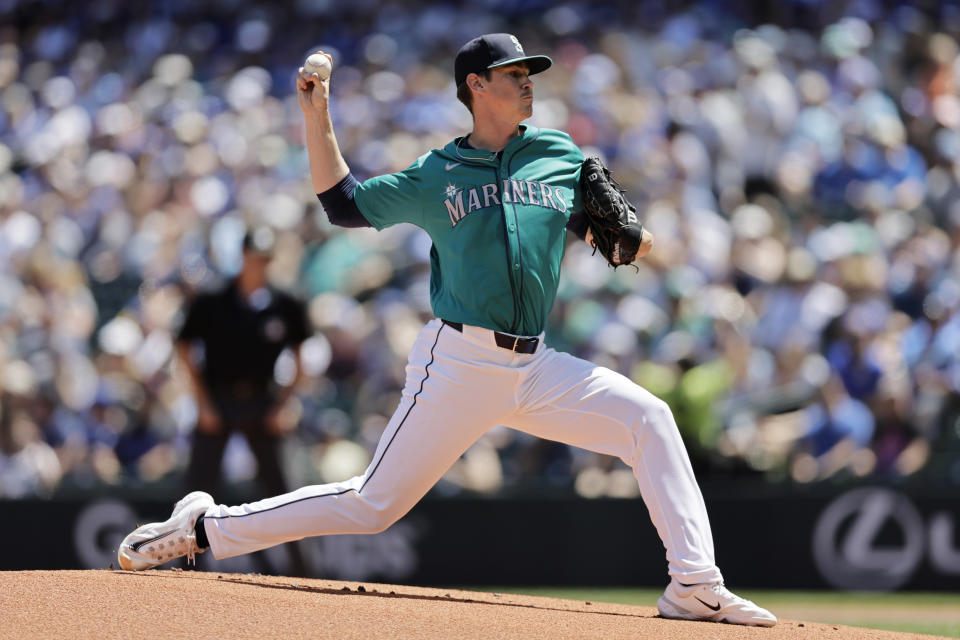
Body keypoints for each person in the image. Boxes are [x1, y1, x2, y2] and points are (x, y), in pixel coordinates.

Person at [119, 33, 776, 627]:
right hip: (459, 362)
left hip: (536, 365)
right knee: (372, 506)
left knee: (650, 420)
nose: (528, 82)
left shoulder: (556, 154)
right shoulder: (438, 173)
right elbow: (343, 204)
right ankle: (205, 529)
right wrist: (317, 116)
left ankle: (693, 584)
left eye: (529, 73)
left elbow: (626, 245)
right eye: (512, 73)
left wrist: (633, 237)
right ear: (475, 86)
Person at [174, 227, 310, 575]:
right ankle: (183, 570)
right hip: (218, 399)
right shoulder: (213, 298)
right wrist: (202, 402)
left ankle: (304, 571)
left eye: (265, 260)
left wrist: (284, 404)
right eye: (254, 258)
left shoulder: (285, 302)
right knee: (197, 490)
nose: (259, 266)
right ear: (243, 257)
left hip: (263, 402)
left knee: (284, 491)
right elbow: (184, 346)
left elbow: (301, 356)